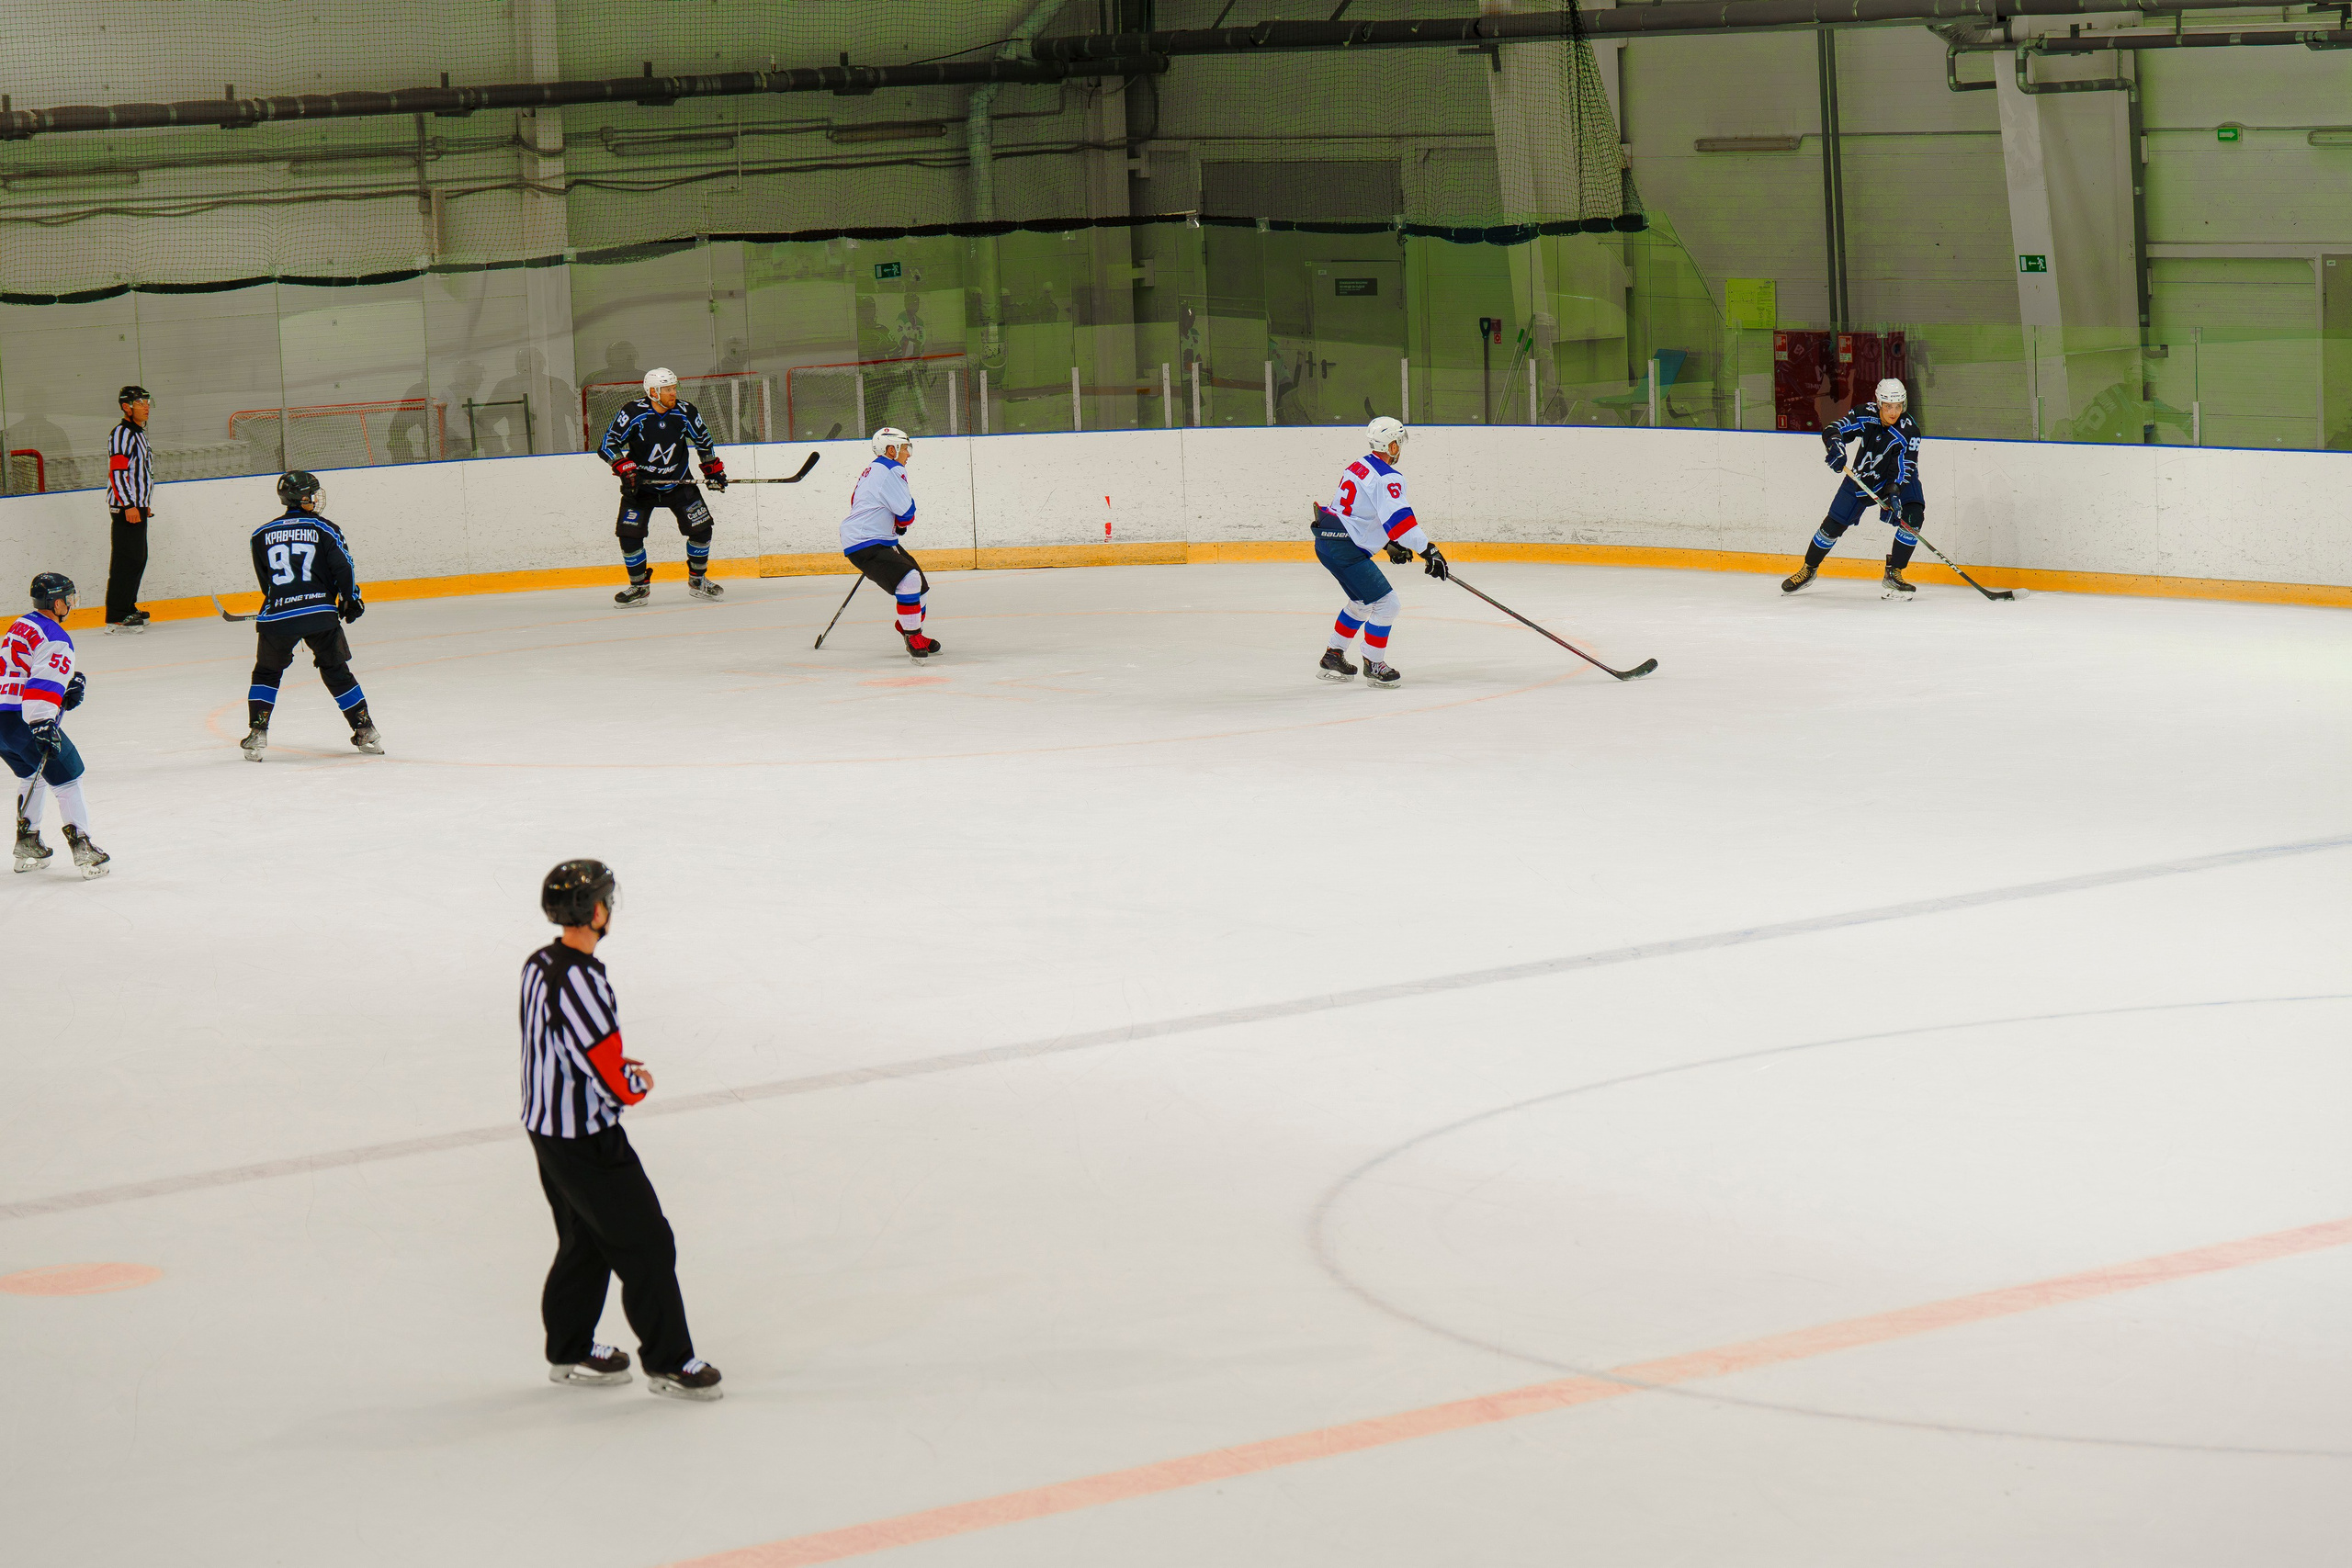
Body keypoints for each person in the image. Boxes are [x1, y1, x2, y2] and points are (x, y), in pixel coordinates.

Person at [522, 859, 722, 1402]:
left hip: (547, 1129)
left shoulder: (538, 964)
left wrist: (606, 1066)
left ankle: (570, 1349)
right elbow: (610, 1069)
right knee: (648, 1243)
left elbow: (560, 1045)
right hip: (587, 1139)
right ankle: (670, 1362)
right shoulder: (583, 980)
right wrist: (635, 1080)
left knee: (586, 1240)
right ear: (595, 911)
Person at [240, 471, 383, 761]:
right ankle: (364, 729)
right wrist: (350, 598)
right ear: (302, 497)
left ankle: (258, 732)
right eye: (312, 493)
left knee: (267, 673)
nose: (316, 499)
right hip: (319, 613)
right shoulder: (325, 529)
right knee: (336, 670)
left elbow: (266, 583)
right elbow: (343, 566)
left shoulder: (260, 535)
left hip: (278, 615)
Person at [1310, 417, 1448, 687]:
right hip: (1345, 548)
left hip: (1327, 543)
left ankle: (1333, 656)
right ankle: (1374, 663)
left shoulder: (1358, 465)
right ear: (1393, 447)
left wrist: (1387, 544)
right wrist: (1429, 550)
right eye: (1398, 443)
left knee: (1362, 603)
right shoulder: (1388, 478)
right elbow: (1401, 523)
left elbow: (1359, 513)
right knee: (1387, 604)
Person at [2, 572, 108, 877]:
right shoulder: (56, 637)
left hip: (2, 722)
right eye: (70, 599)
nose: (72, 605)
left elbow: (23, 670)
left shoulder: (22, 624)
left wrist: (63, 691)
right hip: (25, 719)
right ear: (57, 602)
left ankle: (28, 841)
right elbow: (40, 685)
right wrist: (43, 723)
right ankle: (84, 849)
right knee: (68, 775)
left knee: (30, 774)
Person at [1782, 378, 1926, 599]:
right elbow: (1834, 429)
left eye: (1898, 406)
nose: (1893, 412)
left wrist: (1895, 491)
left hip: (1897, 479)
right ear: (1879, 404)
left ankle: (1894, 572)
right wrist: (1836, 447)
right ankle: (1808, 569)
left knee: (1913, 515)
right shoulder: (1864, 414)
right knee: (1832, 526)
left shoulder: (1910, 430)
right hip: (1863, 478)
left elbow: (1906, 466)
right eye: (1888, 406)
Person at [598, 367, 728, 607]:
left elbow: (703, 441)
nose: (673, 393)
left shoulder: (685, 412)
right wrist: (624, 467)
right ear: (652, 392)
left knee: (702, 530)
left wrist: (712, 469)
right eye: (667, 389)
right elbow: (608, 444)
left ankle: (698, 581)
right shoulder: (633, 412)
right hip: (640, 486)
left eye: (674, 388)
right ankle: (639, 587)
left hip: (678, 483)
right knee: (629, 535)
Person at [839, 427, 940, 659]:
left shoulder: (872, 469)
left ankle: (911, 628)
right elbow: (906, 513)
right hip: (865, 540)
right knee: (909, 581)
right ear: (891, 450)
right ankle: (912, 634)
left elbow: (858, 501)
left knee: (920, 587)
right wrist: (901, 522)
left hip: (877, 538)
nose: (909, 454)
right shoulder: (891, 468)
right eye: (905, 448)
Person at [105, 385, 155, 633]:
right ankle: (116, 614)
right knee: (126, 561)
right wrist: (128, 504)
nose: (145, 407)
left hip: (136, 507)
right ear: (126, 407)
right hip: (126, 508)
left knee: (137, 558)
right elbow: (118, 471)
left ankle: (127, 607)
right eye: (139, 403)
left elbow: (141, 473)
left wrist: (143, 505)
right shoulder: (122, 433)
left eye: (147, 402)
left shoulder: (138, 432)